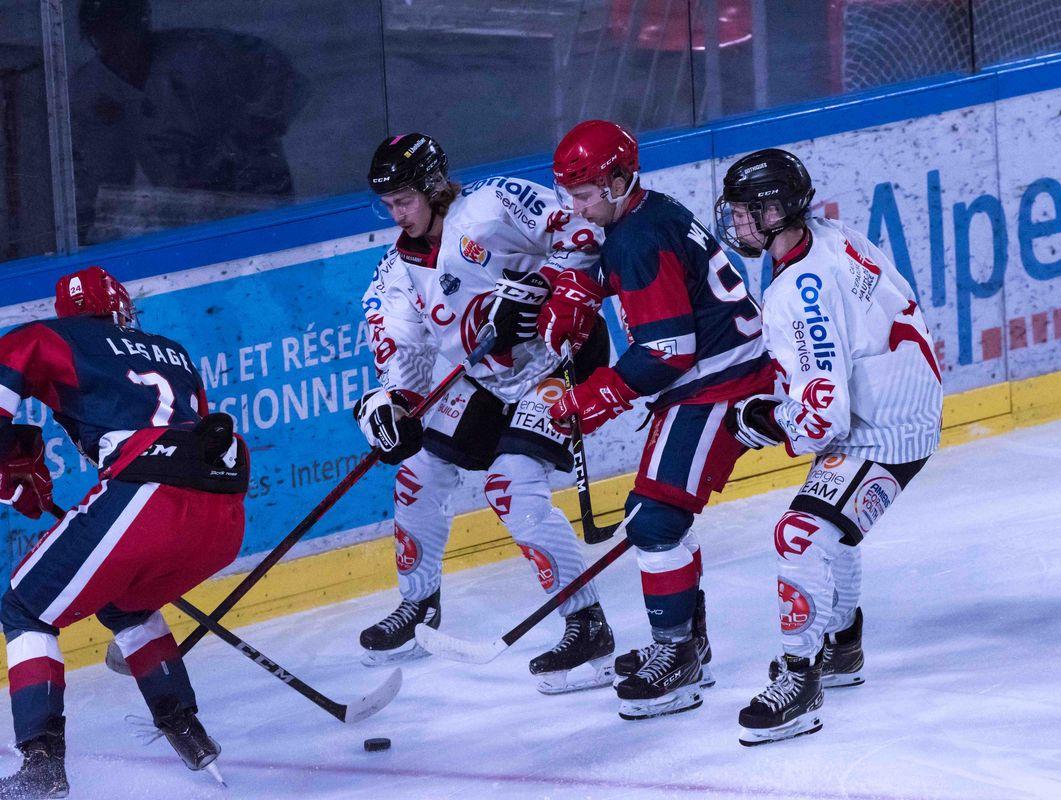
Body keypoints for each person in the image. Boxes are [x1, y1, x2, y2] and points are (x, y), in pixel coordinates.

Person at [356, 132, 617, 695]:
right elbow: (402, 351)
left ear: (431, 187)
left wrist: (545, 289)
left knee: (511, 487)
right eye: (389, 204)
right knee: (416, 475)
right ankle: (419, 603)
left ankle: (586, 623)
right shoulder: (394, 274)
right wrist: (394, 402)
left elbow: (582, 231)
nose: (397, 213)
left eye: (405, 199)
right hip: (485, 378)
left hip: (558, 358)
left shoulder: (493, 204)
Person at [541, 120, 776, 720]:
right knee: (659, 516)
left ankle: (677, 657)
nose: (578, 207)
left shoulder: (637, 237)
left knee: (654, 520)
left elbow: (669, 350)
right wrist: (579, 295)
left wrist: (589, 400)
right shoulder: (649, 214)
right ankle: (686, 643)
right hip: (717, 376)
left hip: (720, 383)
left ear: (621, 181)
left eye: (588, 192)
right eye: (571, 194)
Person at [715, 149, 942, 745]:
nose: (736, 224)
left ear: (778, 210)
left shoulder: (799, 288)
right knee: (828, 520)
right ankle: (840, 645)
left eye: (746, 213)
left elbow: (823, 418)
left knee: (799, 532)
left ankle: (800, 676)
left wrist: (768, 419)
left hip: (881, 429)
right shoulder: (824, 233)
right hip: (899, 400)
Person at [0, 266, 249, 795]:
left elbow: (6, 375)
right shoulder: (173, 352)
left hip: (149, 493)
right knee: (124, 605)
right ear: (120, 307)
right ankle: (187, 729)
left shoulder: (52, 336)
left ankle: (41, 763)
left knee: (24, 609)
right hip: (225, 513)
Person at [71, 0, 310, 242]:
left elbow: (279, 75)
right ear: (93, 37)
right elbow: (99, 179)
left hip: (260, 194)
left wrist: (246, 134)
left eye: (123, 29)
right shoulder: (91, 94)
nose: (118, 43)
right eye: (105, 34)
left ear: (142, 21)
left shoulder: (203, 52)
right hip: (190, 214)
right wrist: (86, 229)